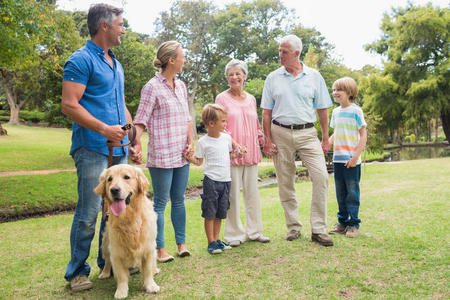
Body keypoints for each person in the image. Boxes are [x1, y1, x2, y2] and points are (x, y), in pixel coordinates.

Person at [61, 3, 134, 291]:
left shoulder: (116, 63)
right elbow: (69, 105)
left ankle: (110, 264)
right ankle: (77, 271)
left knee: (116, 210)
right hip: (92, 147)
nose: (124, 29)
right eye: (120, 24)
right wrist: (104, 129)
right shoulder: (79, 61)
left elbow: (119, 103)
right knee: (89, 211)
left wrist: (133, 131)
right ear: (104, 25)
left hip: (119, 149)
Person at [261, 34, 334, 247]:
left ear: (297, 54)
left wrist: (325, 137)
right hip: (280, 132)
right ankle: (293, 227)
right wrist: (267, 139)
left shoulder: (314, 76)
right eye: (279, 51)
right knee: (285, 180)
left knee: (321, 177)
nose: (280, 55)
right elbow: (266, 112)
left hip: (308, 133)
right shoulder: (273, 78)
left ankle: (319, 229)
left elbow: (322, 109)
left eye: (284, 52)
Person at [132, 41, 193, 263]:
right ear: (171, 60)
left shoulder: (182, 86)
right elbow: (141, 120)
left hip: (181, 155)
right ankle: (160, 250)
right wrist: (135, 143)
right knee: (159, 204)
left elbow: (186, 117)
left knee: (179, 201)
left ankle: (182, 245)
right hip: (161, 155)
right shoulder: (151, 87)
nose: (184, 60)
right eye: (182, 56)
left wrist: (190, 143)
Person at [215, 59, 270, 247]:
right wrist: (235, 145)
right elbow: (220, 126)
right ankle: (233, 235)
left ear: (244, 76)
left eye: (238, 73)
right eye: (230, 74)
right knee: (232, 196)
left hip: (252, 151)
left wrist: (263, 140)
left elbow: (255, 124)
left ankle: (255, 232)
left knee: (252, 194)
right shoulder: (222, 99)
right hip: (232, 153)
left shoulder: (251, 99)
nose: (234, 77)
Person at [185, 104, 237, 254]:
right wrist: (189, 158)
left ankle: (217, 239)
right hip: (211, 182)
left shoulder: (226, 138)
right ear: (211, 124)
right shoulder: (203, 142)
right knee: (210, 212)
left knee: (220, 212)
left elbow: (228, 156)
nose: (225, 124)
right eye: (223, 121)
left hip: (226, 181)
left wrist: (237, 155)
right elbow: (199, 161)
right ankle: (211, 242)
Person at [328, 77, 367, 238]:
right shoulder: (336, 112)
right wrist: (325, 144)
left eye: (339, 90)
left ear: (349, 92)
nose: (335, 93)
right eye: (334, 90)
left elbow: (363, 135)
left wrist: (355, 156)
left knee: (352, 193)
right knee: (340, 193)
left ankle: (353, 224)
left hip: (351, 161)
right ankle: (342, 222)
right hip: (338, 160)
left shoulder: (356, 111)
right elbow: (336, 134)